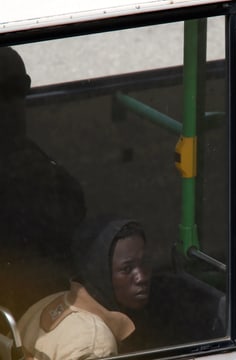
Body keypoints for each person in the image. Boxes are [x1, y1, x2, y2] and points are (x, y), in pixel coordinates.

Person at [0, 46, 86, 317]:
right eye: (5, 93)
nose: (13, 104)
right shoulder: (31, 165)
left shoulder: (33, 162)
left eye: (19, 90)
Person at [17, 218, 150, 359]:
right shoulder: (96, 346)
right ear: (100, 273)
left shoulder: (49, 303)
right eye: (127, 269)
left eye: (145, 262)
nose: (142, 277)